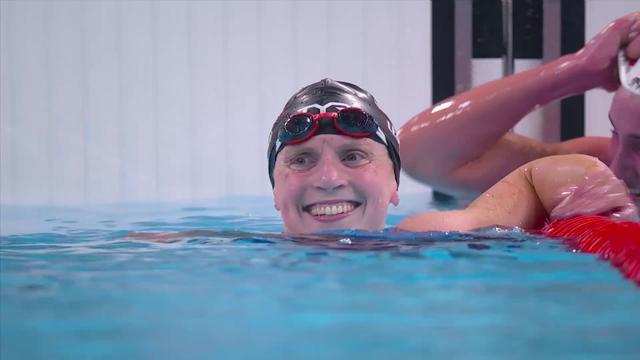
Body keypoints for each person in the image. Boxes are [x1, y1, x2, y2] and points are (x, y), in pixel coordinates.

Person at [268, 78, 637, 234]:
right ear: (274, 188)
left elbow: (533, 179)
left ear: (394, 184)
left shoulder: (420, 238)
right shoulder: (218, 250)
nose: (329, 178)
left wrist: (574, 177)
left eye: (353, 156)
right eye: (300, 160)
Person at [397, 12, 640, 201]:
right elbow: (421, 155)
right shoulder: (592, 169)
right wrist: (577, 70)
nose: (617, 167)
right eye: (615, 134)